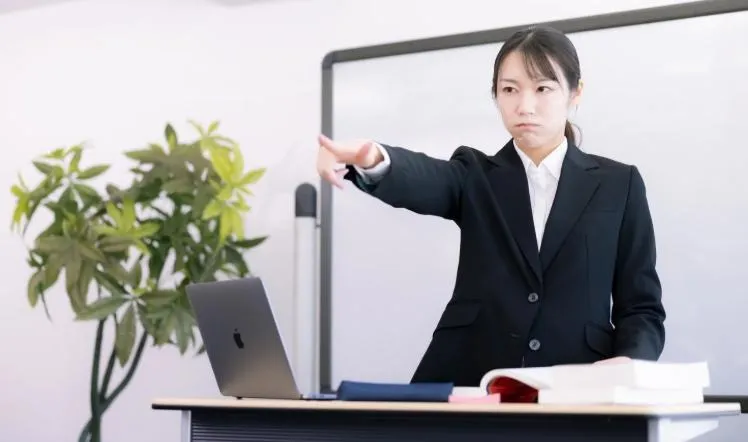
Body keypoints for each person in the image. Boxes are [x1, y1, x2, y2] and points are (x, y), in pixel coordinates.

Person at [316, 25, 665, 386]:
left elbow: (641, 306)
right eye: (509, 89)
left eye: (543, 88)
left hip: (579, 385)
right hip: (475, 380)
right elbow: (427, 178)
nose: (524, 106)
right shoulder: (474, 174)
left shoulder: (618, 184)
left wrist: (629, 362)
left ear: (575, 92)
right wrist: (373, 157)